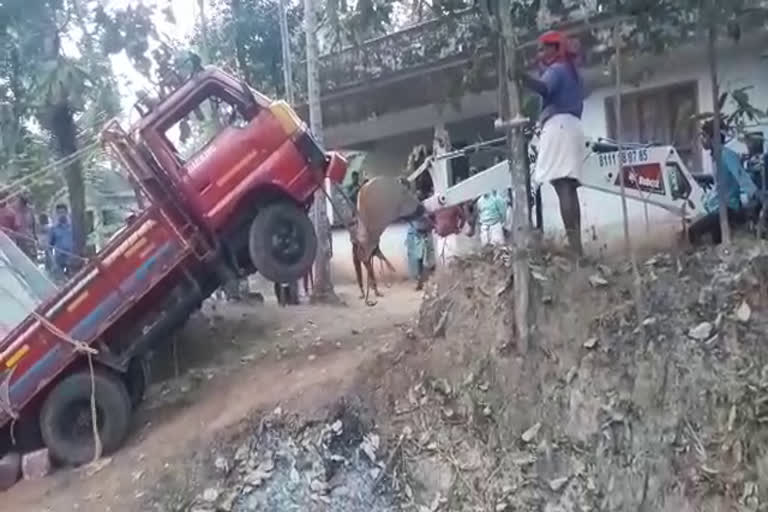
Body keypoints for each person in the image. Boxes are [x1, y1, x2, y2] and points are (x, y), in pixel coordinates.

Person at [519, 30, 585, 256]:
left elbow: (543, 88)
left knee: (561, 186)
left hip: (559, 127)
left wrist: (521, 76)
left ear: (556, 49)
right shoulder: (570, 70)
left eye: (544, 48)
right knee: (569, 187)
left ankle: (574, 248)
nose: (541, 52)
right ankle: (577, 246)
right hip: (573, 127)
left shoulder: (556, 70)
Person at [689, 120, 758, 245]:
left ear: (713, 137)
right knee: (717, 241)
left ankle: (696, 261)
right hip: (717, 207)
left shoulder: (727, 155)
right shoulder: (715, 156)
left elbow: (741, 176)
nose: (702, 140)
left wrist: (755, 195)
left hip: (727, 207)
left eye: (704, 136)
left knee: (694, 231)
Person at [47, 203, 74, 279]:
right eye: (59, 213)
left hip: (72, 260)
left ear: (66, 212)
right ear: (56, 214)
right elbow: (49, 247)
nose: (61, 215)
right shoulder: (53, 229)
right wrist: (53, 262)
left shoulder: (73, 227)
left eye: (63, 212)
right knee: (60, 282)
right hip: (59, 261)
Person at [13, 195, 37, 260]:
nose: (16, 203)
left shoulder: (30, 211)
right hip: (19, 239)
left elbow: (34, 225)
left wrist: (35, 236)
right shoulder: (15, 211)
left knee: (31, 257)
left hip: (29, 238)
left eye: (18, 201)